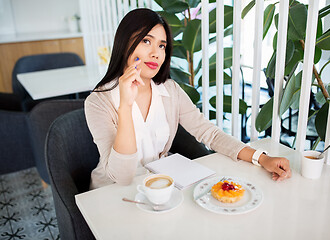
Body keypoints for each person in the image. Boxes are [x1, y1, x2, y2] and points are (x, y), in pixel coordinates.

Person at [85, 8, 291, 189]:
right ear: (124, 42)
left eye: (162, 46)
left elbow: (209, 133)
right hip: (111, 193)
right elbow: (122, 177)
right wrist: (125, 106)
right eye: (146, 41)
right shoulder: (98, 102)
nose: (156, 53)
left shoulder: (170, 90)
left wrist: (261, 158)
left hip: (160, 186)